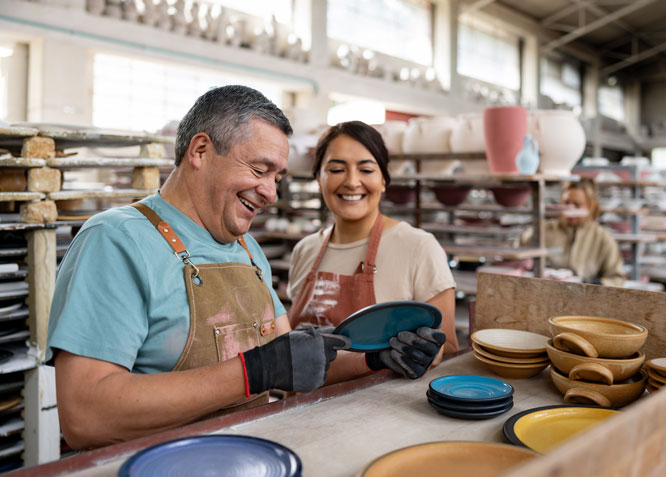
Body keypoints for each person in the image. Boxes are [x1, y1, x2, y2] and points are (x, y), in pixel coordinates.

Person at [46, 86, 350, 450]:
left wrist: (377, 358)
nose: (271, 192)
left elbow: (291, 357)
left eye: (277, 177)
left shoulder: (248, 248)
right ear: (200, 150)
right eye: (259, 169)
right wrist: (251, 373)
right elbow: (86, 415)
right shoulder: (117, 240)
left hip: (250, 463)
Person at [287, 121, 458, 384]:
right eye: (336, 169)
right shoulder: (304, 250)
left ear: (384, 181)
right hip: (295, 415)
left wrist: (425, 353)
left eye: (366, 169)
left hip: (378, 416)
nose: (352, 182)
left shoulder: (418, 247)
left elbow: (448, 354)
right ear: (318, 179)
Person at [541, 179, 625, 287]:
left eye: (577, 205)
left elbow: (616, 277)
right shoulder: (545, 230)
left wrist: (596, 286)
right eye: (566, 203)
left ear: (591, 207)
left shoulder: (602, 238)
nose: (570, 209)